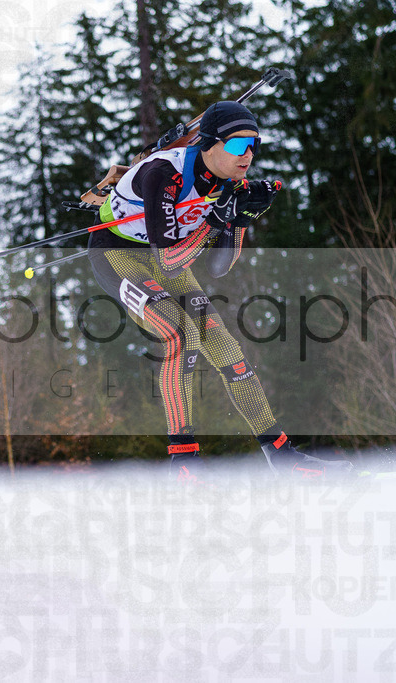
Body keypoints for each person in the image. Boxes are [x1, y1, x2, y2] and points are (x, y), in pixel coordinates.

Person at [86, 101, 353, 482]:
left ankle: (281, 455)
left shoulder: (230, 181)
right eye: (235, 145)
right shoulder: (165, 172)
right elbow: (170, 261)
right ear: (209, 144)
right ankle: (184, 462)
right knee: (181, 334)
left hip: (169, 254)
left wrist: (241, 218)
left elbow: (219, 266)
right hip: (118, 253)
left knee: (226, 347)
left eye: (253, 145)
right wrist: (215, 219)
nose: (246, 155)